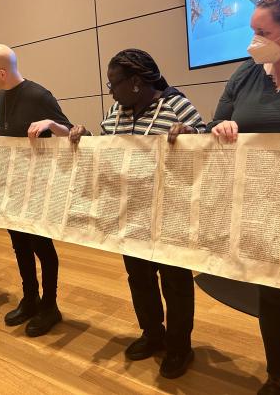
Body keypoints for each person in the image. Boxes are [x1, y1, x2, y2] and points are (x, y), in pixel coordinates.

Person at [174, 0, 280, 395]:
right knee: (272, 297)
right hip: (262, 207)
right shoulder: (246, 74)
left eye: (261, 32)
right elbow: (213, 122)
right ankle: (277, 376)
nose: (252, 41)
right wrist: (222, 127)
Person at [70, 49, 205, 379]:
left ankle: (179, 347)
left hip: (171, 215)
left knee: (175, 284)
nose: (110, 91)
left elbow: (209, 145)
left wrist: (191, 136)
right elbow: (107, 152)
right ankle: (152, 334)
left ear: (134, 82)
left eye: (113, 83)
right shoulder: (117, 110)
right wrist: (85, 139)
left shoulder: (177, 105)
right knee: (140, 279)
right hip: (130, 214)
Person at [0, 44, 72, 336]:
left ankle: (50, 306)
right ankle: (30, 299)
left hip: (38, 188)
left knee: (43, 248)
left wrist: (52, 123)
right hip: (12, 187)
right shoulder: (0, 96)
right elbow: (9, 129)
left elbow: (75, 133)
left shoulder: (39, 95)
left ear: (2, 72)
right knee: (20, 246)